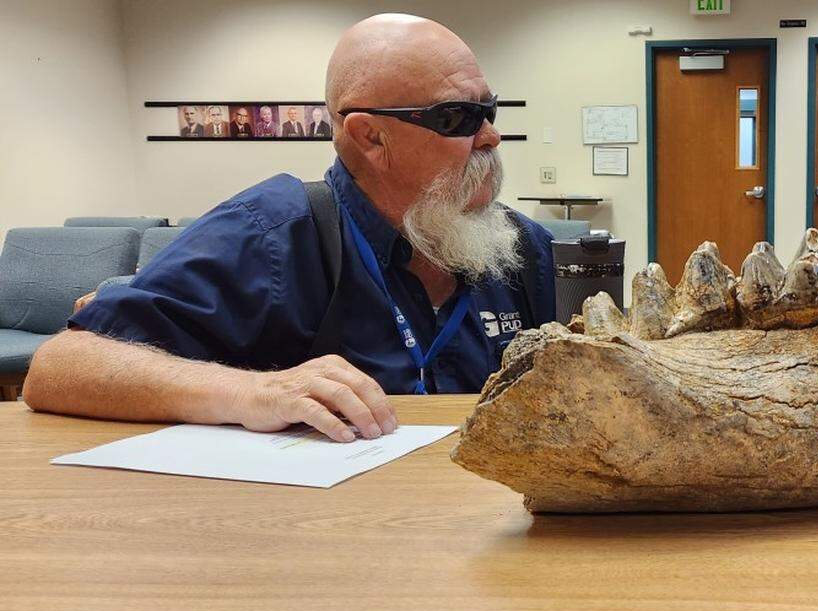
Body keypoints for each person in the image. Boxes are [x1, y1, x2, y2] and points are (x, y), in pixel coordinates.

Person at [24, 14, 556, 445]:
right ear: (370, 137)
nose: (491, 136)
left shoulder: (523, 247)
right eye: (458, 118)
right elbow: (61, 367)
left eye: (489, 110)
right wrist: (253, 391)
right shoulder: (271, 233)